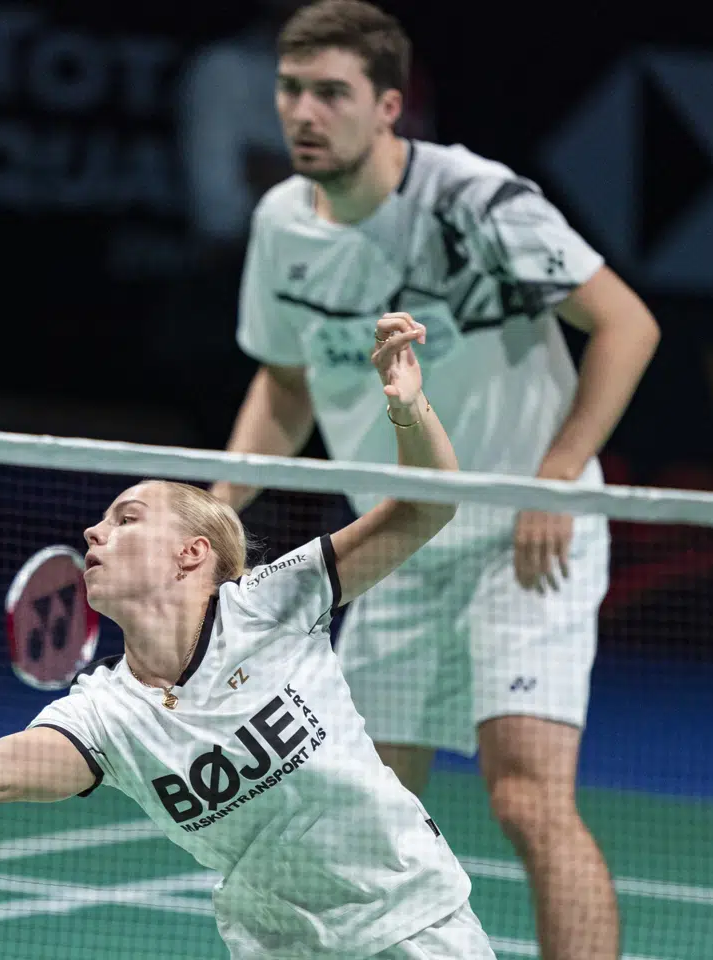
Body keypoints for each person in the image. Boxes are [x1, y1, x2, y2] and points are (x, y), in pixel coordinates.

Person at [0, 313, 495, 959]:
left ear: (192, 554)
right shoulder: (107, 715)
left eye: (126, 518)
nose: (93, 532)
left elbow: (426, 510)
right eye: (102, 522)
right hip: (283, 947)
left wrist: (409, 410)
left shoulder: (270, 603)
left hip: (414, 923)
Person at [208, 3, 662, 959]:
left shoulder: (477, 202)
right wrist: (221, 502)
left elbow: (626, 324)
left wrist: (557, 479)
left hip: (522, 537)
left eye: (331, 93)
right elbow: (287, 384)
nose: (303, 112)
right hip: (395, 542)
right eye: (291, 90)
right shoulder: (281, 226)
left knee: (526, 793)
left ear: (388, 107)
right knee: (370, 808)